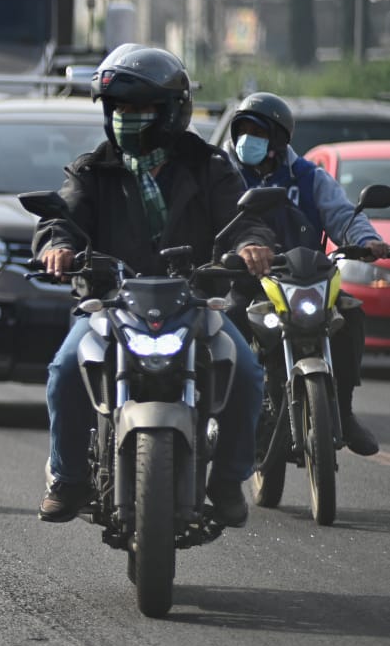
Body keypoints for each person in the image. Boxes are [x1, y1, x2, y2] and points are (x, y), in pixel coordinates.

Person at [33, 44, 276, 527]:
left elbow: (245, 221)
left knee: (247, 373)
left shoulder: (211, 167)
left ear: (171, 112)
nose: (126, 118)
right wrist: (56, 246)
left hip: (197, 301)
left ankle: (228, 480)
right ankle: (67, 477)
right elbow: (64, 217)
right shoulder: (91, 170)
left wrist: (252, 245)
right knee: (64, 369)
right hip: (110, 304)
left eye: (139, 108)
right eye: (119, 109)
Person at [225, 92, 387, 455]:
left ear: (279, 140)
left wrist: (368, 241)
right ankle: (228, 417)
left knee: (350, 313)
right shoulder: (227, 176)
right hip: (248, 281)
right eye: (243, 131)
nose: (247, 139)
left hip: (306, 279)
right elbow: (215, 221)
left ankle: (342, 410)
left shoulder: (309, 177)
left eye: (258, 131)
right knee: (225, 324)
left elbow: (344, 216)